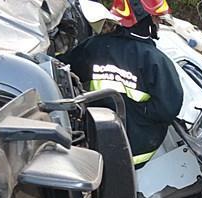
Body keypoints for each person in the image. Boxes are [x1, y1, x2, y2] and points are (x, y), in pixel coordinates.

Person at [62, 0, 183, 167]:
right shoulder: (156, 61)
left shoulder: (91, 47)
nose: (158, 22)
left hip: (91, 145)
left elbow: (62, 71)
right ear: (144, 20)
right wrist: (137, 115)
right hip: (134, 154)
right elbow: (169, 109)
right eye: (155, 18)